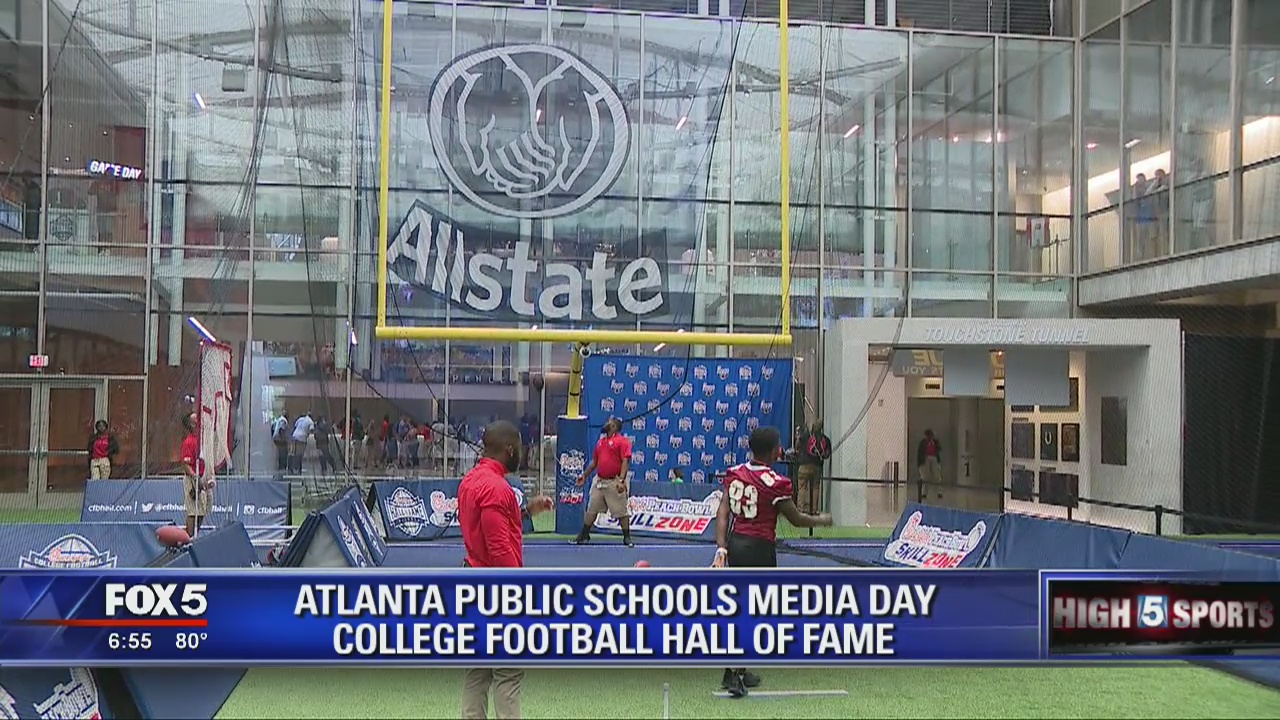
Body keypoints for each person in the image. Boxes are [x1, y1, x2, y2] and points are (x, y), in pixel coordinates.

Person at [714, 426, 832, 698]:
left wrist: (721, 548)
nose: (782, 449)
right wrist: (821, 520)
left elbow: (722, 513)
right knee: (754, 611)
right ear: (772, 451)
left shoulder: (735, 473)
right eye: (779, 445)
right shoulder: (774, 482)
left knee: (744, 607)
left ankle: (735, 670)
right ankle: (734, 674)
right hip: (759, 548)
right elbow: (796, 519)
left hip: (736, 544)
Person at [458, 420, 554, 720]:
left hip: (473, 579)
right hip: (496, 588)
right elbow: (499, 549)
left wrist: (526, 511)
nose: (521, 455)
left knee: (478, 671)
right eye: (520, 449)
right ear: (509, 449)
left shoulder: (471, 481)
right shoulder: (497, 488)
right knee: (508, 673)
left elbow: (490, 526)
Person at [572, 417, 634, 547]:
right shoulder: (601, 442)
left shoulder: (622, 441)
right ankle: (584, 535)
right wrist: (585, 475)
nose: (606, 424)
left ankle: (627, 537)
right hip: (599, 480)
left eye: (609, 423)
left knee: (621, 511)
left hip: (614, 481)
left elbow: (625, 461)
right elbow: (594, 462)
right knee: (591, 509)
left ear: (614, 427)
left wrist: (622, 480)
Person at [179, 412, 214, 537]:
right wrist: (195, 479)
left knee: (202, 510)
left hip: (203, 478)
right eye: (196, 420)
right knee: (193, 511)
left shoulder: (203, 441)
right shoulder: (189, 442)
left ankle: (194, 535)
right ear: (192, 425)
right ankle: (188, 538)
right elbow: (186, 464)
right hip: (193, 478)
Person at [795, 420, 832, 512]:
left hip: (804, 465)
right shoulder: (825, 439)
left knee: (802, 487)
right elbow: (827, 454)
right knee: (816, 487)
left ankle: (800, 509)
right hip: (817, 466)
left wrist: (799, 437)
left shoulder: (806, 435)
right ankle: (814, 509)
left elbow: (797, 447)